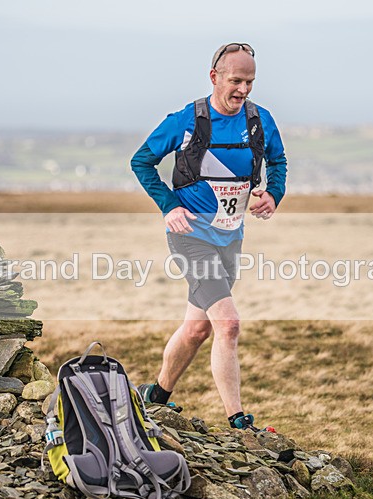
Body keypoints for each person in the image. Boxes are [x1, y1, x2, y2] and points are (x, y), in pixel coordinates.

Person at [130, 42, 287, 432]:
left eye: (250, 81)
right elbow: (142, 161)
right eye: (236, 80)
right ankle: (237, 419)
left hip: (230, 237)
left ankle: (156, 397)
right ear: (214, 77)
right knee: (228, 323)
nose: (244, 89)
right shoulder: (188, 120)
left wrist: (273, 193)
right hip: (190, 236)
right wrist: (169, 206)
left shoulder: (259, 120)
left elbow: (278, 161)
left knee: (198, 328)